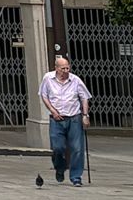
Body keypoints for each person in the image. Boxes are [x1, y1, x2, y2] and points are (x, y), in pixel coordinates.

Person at [39, 53, 93, 187]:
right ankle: (60, 167)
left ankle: (76, 177)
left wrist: (85, 116)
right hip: (56, 118)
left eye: (67, 68)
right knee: (58, 148)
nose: (66, 71)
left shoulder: (75, 80)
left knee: (77, 148)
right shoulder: (48, 78)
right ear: (56, 68)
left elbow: (84, 97)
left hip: (74, 117)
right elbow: (44, 95)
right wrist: (52, 110)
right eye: (63, 69)